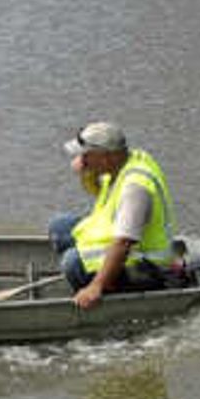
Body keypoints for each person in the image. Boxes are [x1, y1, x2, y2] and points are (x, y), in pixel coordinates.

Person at [49, 120, 184, 310]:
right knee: (59, 226)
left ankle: (105, 296)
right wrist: (86, 172)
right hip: (123, 239)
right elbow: (101, 193)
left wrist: (96, 286)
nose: (82, 159)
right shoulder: (121, 162)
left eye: (86, 155)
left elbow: (123, 243)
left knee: (72, 262)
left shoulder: (135, 187)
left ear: (105, 157)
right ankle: (92, 278)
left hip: (149, 265)